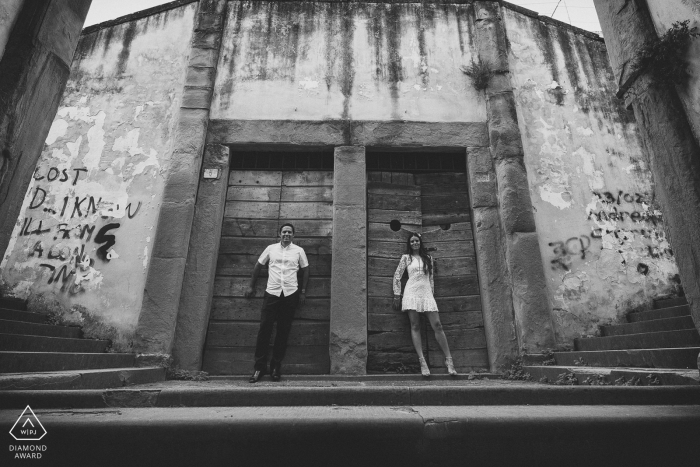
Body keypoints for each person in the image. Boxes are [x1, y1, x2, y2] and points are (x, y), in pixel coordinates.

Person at [244, 223, 309, 383]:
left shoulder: (299, 251)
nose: (286, 234)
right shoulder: (270, 249)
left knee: (283, 331)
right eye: (284, 232)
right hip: (272, 293)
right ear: (279, 234)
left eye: (290, 232)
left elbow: (306, 270)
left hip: (290, 294)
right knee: (264, 329)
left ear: (293, 235)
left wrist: (302, 291)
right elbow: (258, 265)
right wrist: (251, 286)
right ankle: (259, 368)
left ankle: (275, 368)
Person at [392, 232, 457, 377]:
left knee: (438, 325)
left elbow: (431, 279)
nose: (415, 243)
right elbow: (397, 275)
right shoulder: (406, 258)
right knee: (415, 326)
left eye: (417, 241)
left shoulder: (428, 258)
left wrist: (431, 295)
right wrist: (397, 294)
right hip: (411, 292)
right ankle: (422, 362)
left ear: (420, 242)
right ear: (409, 244)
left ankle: (449, 360)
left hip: (426, 293)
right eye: (412, 241)